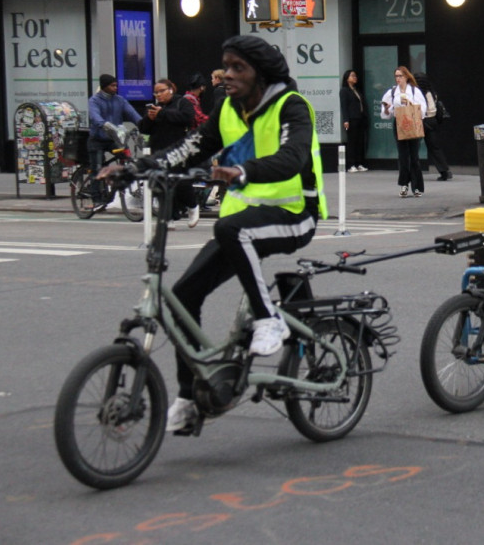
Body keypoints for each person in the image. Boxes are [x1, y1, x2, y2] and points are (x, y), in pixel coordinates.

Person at [100, 35, 327, 434]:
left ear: (262, 73)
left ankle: (268, 320)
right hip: (241, 225)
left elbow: (292, 158)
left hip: (295, 214)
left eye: (238, 67)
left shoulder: (291, 106)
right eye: (225, 66)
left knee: (229, 228)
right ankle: (192, 396)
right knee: (185, 296)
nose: (226, 75)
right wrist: (137, 167)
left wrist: (244, 170)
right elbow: (192, 148)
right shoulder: (227, 109)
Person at [138, 78, 200, 227]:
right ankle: (169, 217)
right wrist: (150, 118)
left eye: (161, 91)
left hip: (178, 148)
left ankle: (192, 206)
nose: (158, 95)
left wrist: (163, 113)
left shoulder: (181, 102)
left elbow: (188, 119)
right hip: (158, 149)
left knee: (180, 181)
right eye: (156, 92)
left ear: (170, 90)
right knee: (162, 184)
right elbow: (143, 128)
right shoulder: (154, 107)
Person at [86, 74, 141, 205]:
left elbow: (133, 114)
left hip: (114, 138)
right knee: (97, 167)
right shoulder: (94, 100)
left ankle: (118, 186)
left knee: (126, 158)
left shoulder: (120, 100)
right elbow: (95, 116)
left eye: (116, 85)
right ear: (104, 86)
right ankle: (96, 198)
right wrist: (104, 124)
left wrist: (143, 125)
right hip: (97, 139)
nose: (115, 88)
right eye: (112, 85)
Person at [380, 66, 427, 197]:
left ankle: (417, 186)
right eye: (396, 76)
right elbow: (385, 114)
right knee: (403, 156)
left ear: (406, 76)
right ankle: (404, 184)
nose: (398, 79)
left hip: (412, 122)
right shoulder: (392, 92)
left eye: (400, 76)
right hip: (399, 123)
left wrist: (409, 103)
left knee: (414, 155)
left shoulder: (414, 91)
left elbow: (422, 110)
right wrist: (387, 108)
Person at [414, 72, 452, 181]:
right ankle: (444, 170)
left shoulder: (417, 94)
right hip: (433, 121)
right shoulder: (432, 92)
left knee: (414, 146)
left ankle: (414, 171)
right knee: (434, 147)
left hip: (422, 121)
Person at [339, 69, 368, 173]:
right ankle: (351, 164)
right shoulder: (344, 91)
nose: (355, 77)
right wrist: (346, 120)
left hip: (360, 118)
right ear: (347, 78)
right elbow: (344, 106)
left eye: (355, 76)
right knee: (352, 142)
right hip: (351, 119)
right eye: (352, 76)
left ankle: (359, 163)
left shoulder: (356, 90)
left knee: (360, 141)